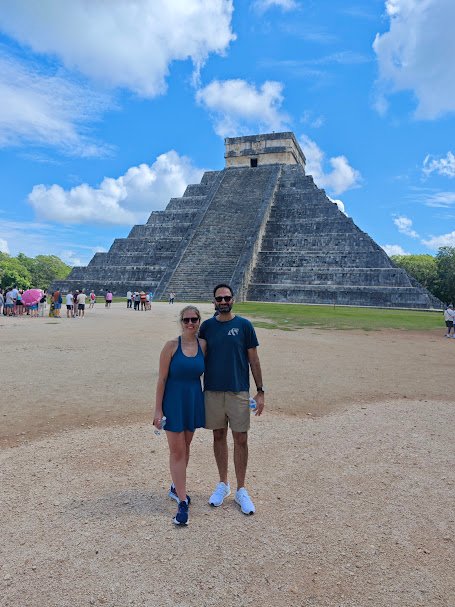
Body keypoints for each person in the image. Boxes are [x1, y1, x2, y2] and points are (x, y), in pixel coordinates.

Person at [198, 283, 265, 516]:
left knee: (241, 439)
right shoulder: (206, 327)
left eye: (227, 297)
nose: (224, 301)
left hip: (238, 391)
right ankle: (223, 483)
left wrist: (260, 390)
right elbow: (198, 358)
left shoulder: (244, 326)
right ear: (214, 301)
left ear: (233, 299)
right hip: (213, 391)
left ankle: (241, 489)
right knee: (218, 436)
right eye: (219, 298)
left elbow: (254, 360)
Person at [153, 306, 206, 526]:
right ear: (181, 322)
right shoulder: (171, 346)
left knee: (186, 446)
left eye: (194, 319)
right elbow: (162, 379)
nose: (190, 323)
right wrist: (158, 410)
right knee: (177, 451)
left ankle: (177, 487)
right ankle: (182, 502)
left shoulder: (204, 345)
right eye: (186, 320)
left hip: (193, 400)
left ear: (199, 321)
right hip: (174, 401)